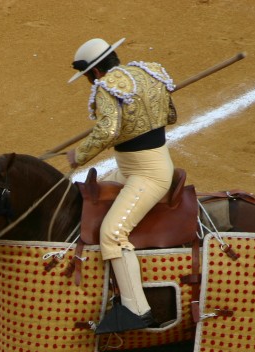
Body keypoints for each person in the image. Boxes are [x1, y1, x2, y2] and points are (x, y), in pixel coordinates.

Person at [66, 38, 178, 334]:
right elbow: (170, 115)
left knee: (112, 234)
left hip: (147, 176)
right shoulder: (150, 72)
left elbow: (109, 130)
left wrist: (78, 155)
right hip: (135, 168)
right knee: (93, 199)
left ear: (94, 73)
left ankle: (136, 309)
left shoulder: (106, 88)